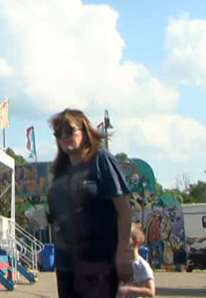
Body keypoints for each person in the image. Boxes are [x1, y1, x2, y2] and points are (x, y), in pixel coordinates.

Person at [47, 108, 134, 298]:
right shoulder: (60, 172)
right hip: (67, 263)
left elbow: (124, 207)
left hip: (99, 262)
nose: (63, 136)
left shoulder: (101, 160)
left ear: (85, 132)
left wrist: (124, 251)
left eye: (69, 131)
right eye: (58, 133)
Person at [116, 225, 155, 298]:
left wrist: (127, 290)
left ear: (136, 241)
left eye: (125, 238)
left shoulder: (142, 265)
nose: (121, 240)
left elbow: (151, 291)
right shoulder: (118, 262)